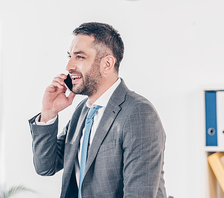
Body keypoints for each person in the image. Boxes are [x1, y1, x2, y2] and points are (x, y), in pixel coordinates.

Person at [29, 22, 167, 198]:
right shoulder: (83, 111)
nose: (69, 66)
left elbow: (139, 194)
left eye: (79, 57)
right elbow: (45, 167)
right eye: (70, 56)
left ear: (107, 64)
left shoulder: (139, 114)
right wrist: (49, 112)